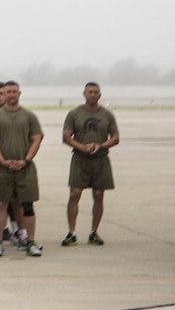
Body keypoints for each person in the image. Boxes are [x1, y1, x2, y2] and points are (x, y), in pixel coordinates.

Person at [0, 81, 44, 256]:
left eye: (13, 91)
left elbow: (36, 139)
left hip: (25, 168)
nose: (10, 94)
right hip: (3, 169)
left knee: (27, 205)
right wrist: (1, 160)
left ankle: (30, 241)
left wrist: (26, 160)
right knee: (1, 204)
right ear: (2, 94)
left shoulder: (29, 116)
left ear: (19, 93)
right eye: (7, 92)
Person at [61, 82, 119, 247]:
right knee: (74, 194)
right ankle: (72, 233)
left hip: (100, 159)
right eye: (90, 92)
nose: (93, 95)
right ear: (84, 94)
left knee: (99, 195)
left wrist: (100, 146)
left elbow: (115, 137)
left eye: (96, 92)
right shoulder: (74, 113)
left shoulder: (107, 115)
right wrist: (82, 147)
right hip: (79, 159)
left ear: (100, 95)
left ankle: (94, 232)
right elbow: (66, 136)